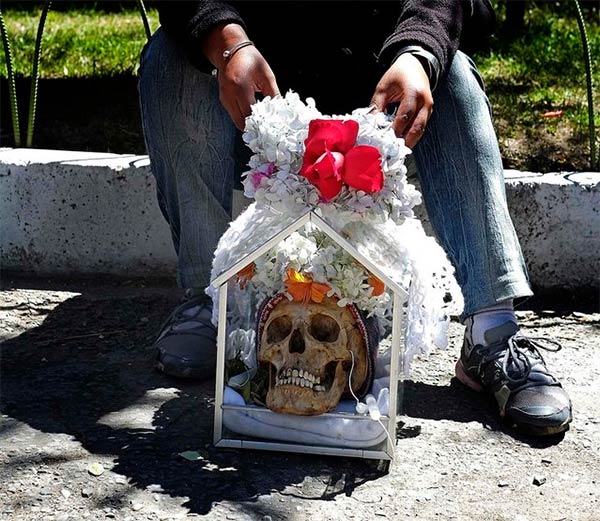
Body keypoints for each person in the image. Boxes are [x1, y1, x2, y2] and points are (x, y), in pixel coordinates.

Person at [138, 0, 572, 436]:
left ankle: (491, 332)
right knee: (169, 60)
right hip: (255, 107)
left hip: (385, 114)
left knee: (452, 76)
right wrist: (226, 39)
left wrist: (418, 53)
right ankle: (211, 304)